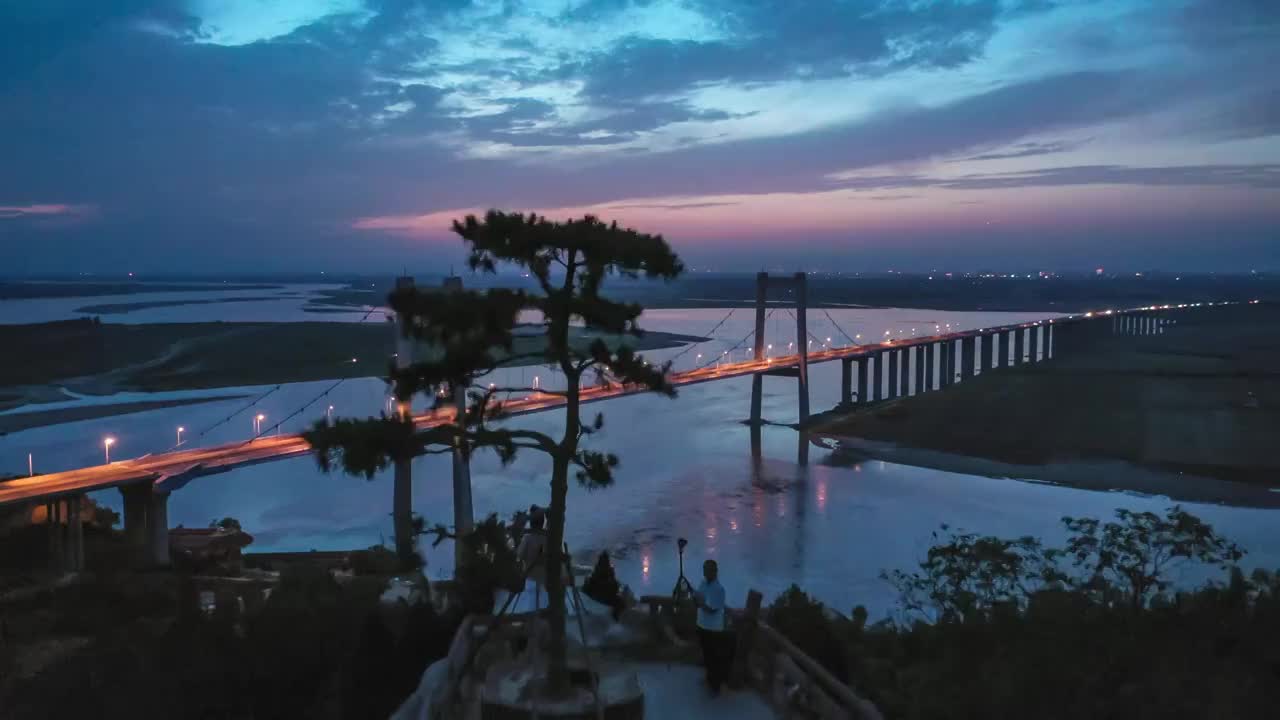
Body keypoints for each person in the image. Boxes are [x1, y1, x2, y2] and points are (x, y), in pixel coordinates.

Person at [694, 559, 733, 693]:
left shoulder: (719, 589)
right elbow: (699, 597)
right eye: (704, 569)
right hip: (702, 625)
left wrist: (700, 603)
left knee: (715, 658)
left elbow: (713, 609)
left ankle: (716, 686)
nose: (705, 572)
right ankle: (709, 680)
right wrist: (696, 599)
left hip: (713, 629)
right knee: (706, 655)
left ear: (715, 571)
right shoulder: (703, 583)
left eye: (708, 569)